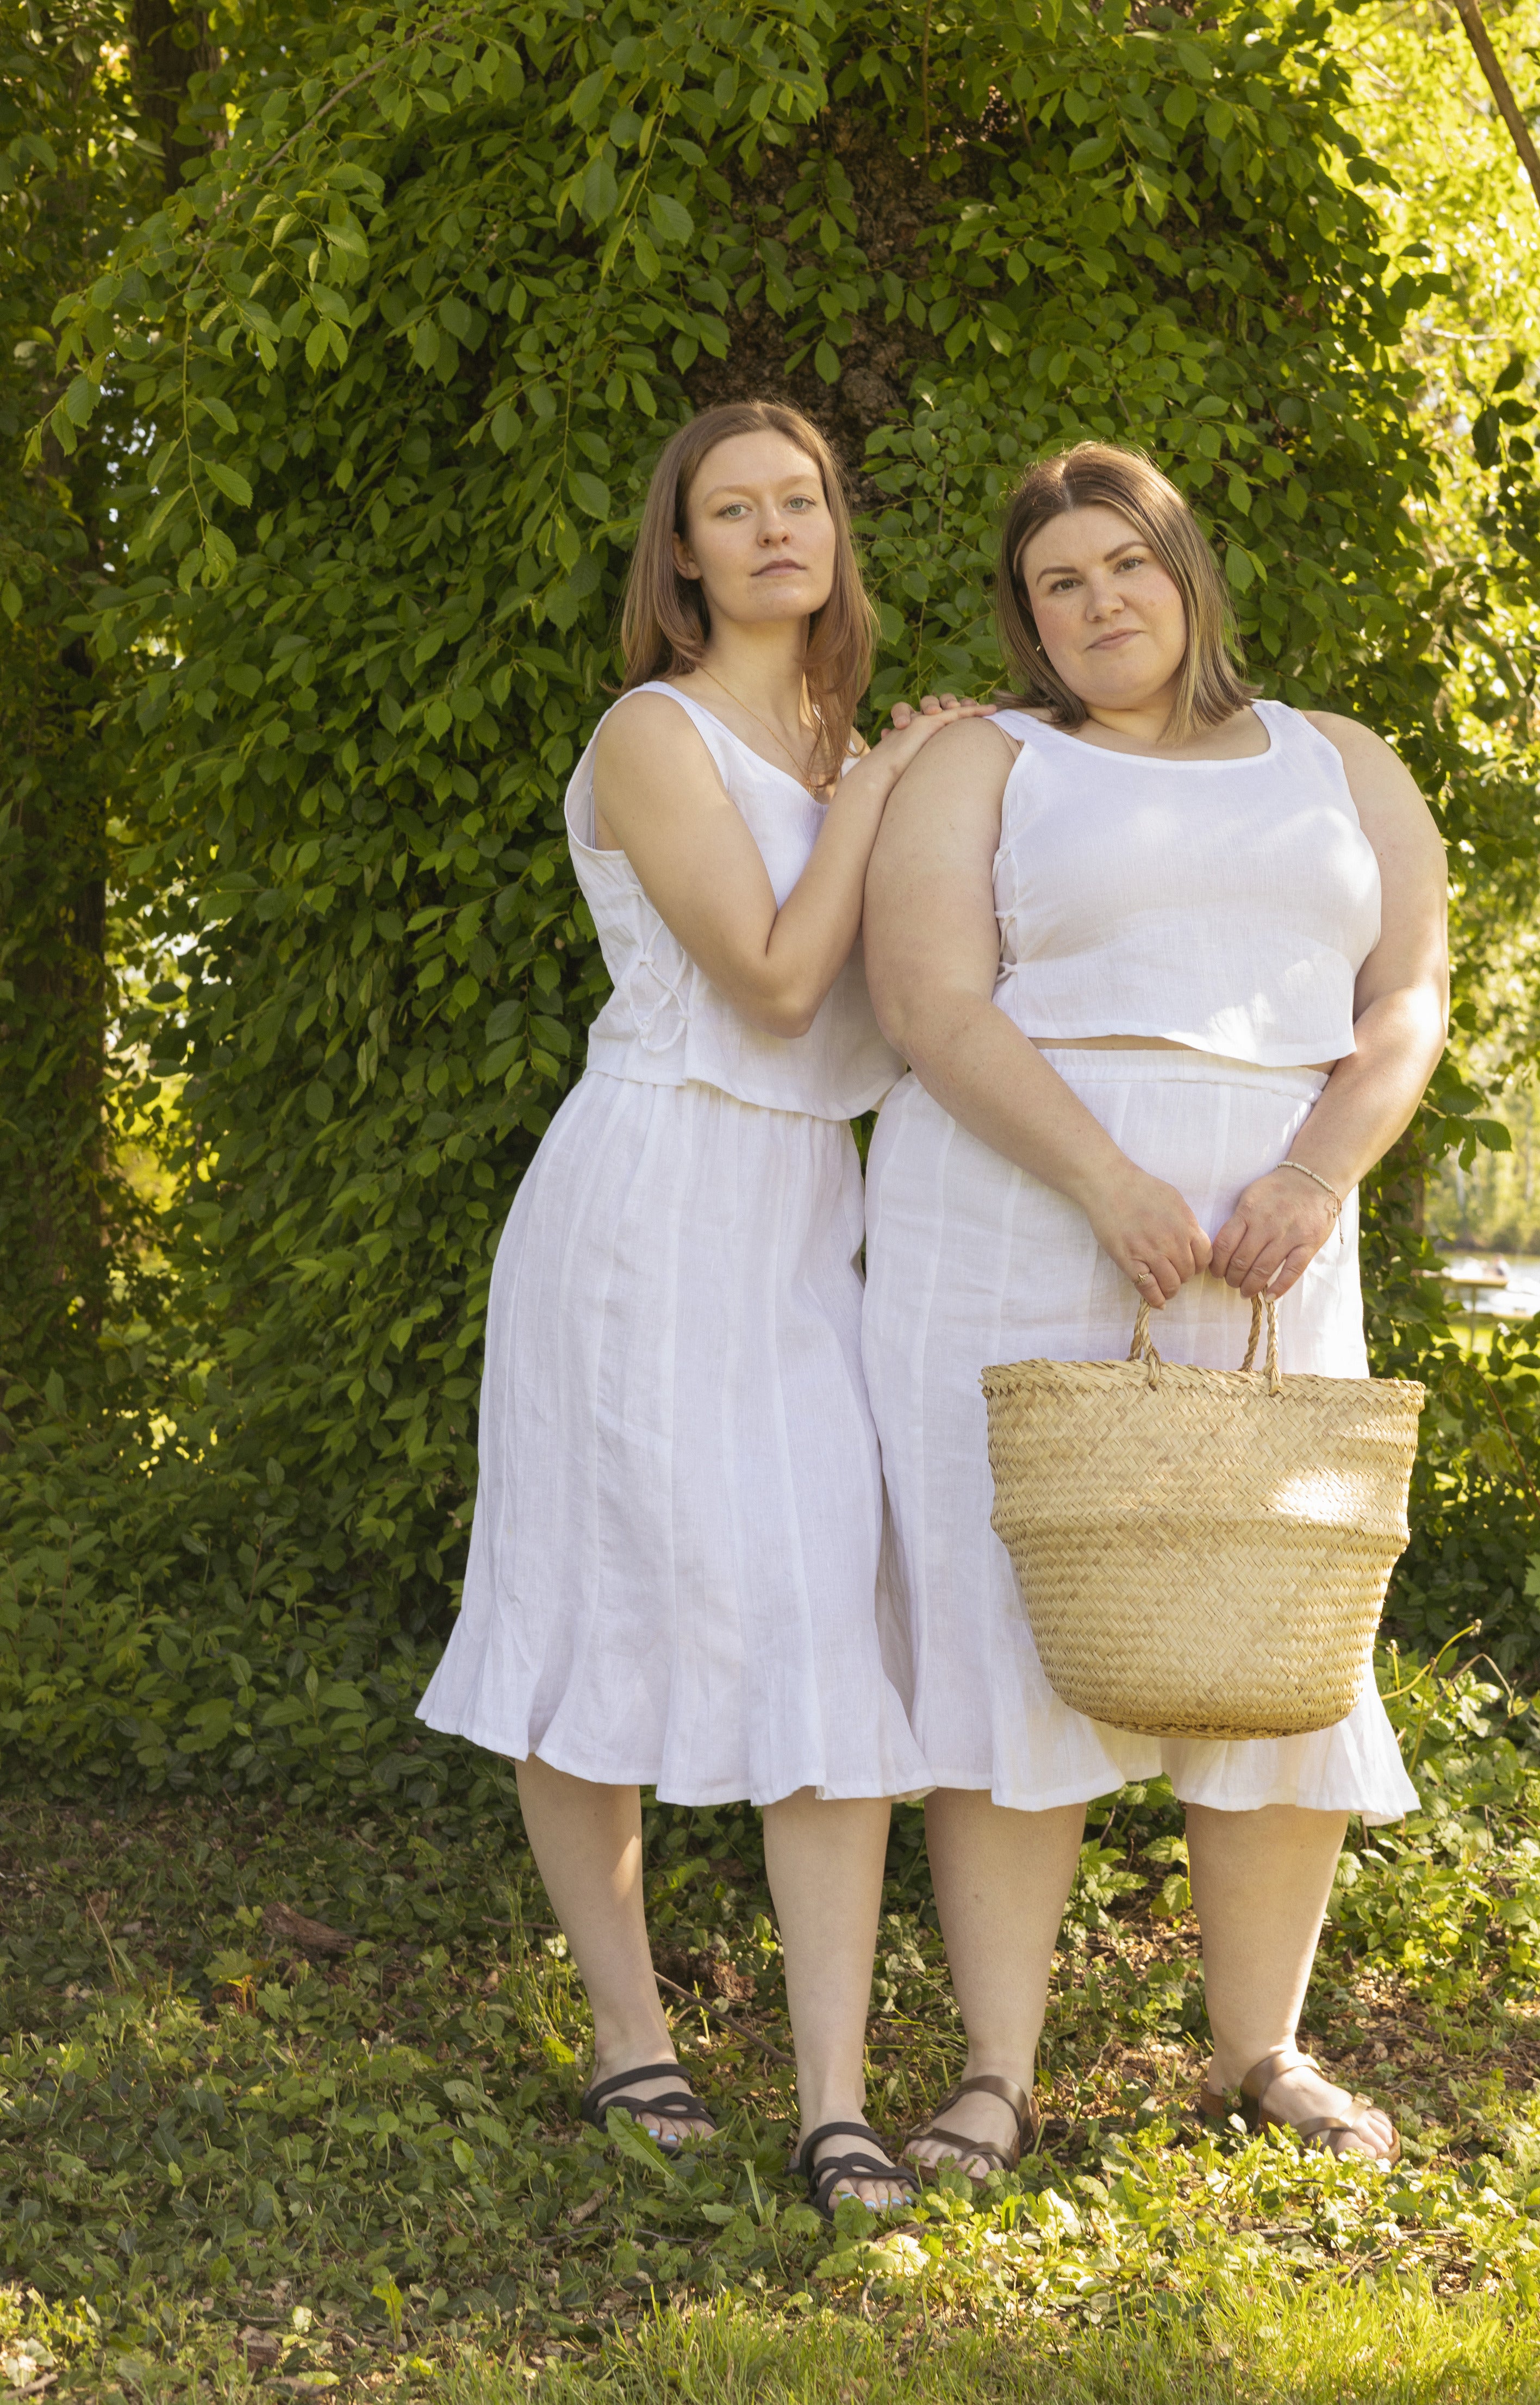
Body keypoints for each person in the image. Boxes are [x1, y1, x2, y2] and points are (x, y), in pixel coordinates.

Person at [419, 400, 987, 2216]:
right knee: (598, 1610)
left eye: (798, 501)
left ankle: (833, 2103)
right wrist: (887, 793)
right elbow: (761, 981)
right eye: (729, 511)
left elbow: (904, 1012)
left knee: (829, 1614)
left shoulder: (836, 732)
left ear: (836, 529)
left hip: (806, 1216)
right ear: (679, 555)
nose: (770, 531)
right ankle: (631, 2032)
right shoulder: (653, 733)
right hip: (649, 1206)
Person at [860, 442, 1448, 2178]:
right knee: (1010, 1607)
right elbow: (926, 1000)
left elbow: (1404, 993)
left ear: (1186, 573)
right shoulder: (987, 760)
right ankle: (992, 2073)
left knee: (1277, 1608)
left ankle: (1258, 2049)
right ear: (1027, 621)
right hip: (1019, 1208)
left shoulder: (1339, 759)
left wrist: (1313, 1174)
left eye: (1124, 563)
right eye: (1059, 582)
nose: (1100, 600)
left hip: (1273, 1225)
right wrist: (1107, 1180)